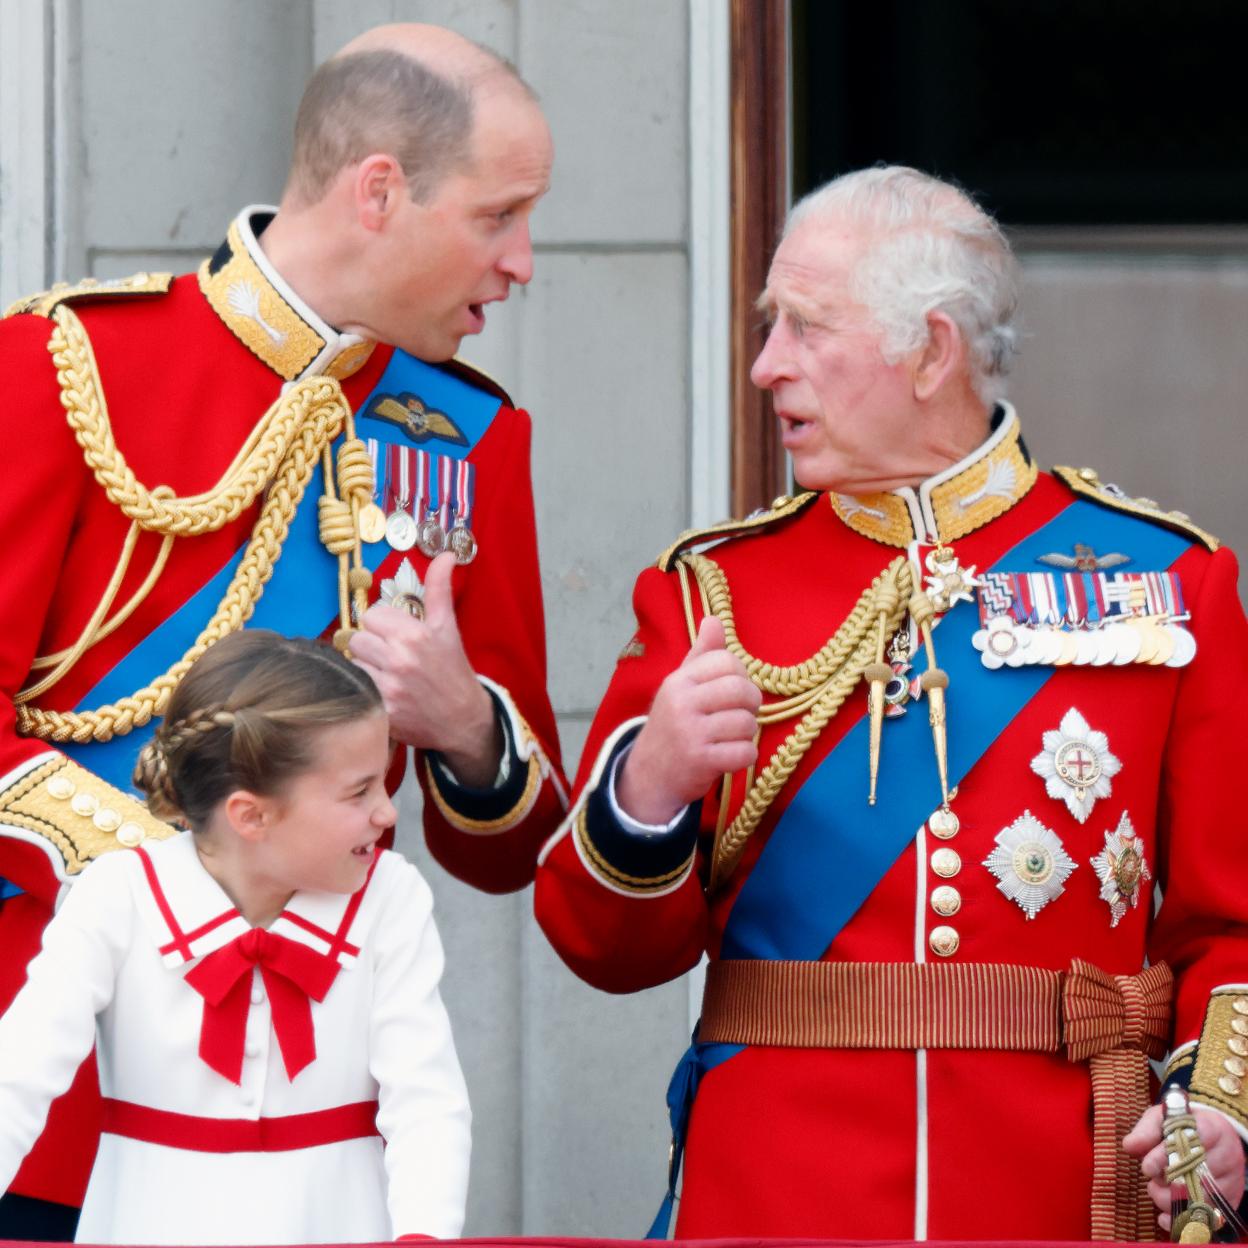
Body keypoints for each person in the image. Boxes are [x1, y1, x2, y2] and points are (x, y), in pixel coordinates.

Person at [535, 166, 1248, 1241]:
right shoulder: (713, 591)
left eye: (806, 328)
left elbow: (1231, 924)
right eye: (770, 327)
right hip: (774, 1191)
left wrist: (1221, 1108)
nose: (767, 365)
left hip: (1054, 1190)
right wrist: (649, 786)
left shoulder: (1167, 581)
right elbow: (605, 951)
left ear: (931, 352)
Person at [0, 23, 563, 1239]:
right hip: (62, 1102)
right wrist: (176, 880)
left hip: (316, 1133)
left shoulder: (467, 437)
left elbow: (507, 849)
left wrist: (467, 727)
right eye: (498, 216)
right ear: (379, 191)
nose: (523, 262)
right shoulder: (65, 364)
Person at [0, 630, 470, 1244]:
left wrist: (424, 1238)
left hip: (341, 1227)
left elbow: (426, 1103)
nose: (388, 813)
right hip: (145, 1226)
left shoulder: (391, 898)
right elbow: (18, 1074)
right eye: (360, 791)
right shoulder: (117, 896)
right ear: (251, 815)